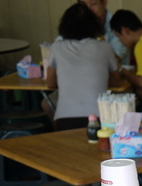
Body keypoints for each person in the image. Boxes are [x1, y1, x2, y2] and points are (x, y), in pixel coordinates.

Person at [46, 3, 121, 131]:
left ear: (64, 26)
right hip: (100, 118)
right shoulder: (104, 47)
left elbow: (50, 83)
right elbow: (115, 82)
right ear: (94, 25)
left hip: (65, 119)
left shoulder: (57, 47)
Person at [79, 0, 131, 66]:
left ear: (104, 3)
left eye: (93, 4)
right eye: (83, 5)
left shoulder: (118, 25)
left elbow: (116, 60)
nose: (88, 10)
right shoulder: (77, 24)